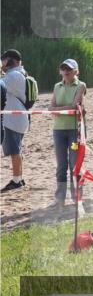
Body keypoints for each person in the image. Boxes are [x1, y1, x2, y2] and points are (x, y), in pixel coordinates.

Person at [48, 58, 86, 207]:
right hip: (58, 129)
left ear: (76, 71)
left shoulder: (81, 85)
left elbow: (74, 106)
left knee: (75, 164)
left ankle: (77, 197)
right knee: (61, 165)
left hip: (74, 130)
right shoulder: (57, 86)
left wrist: (57, 109)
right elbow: (51, 107)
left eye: (69, 69)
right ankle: (60, 198)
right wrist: (60, 109)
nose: (66, 71)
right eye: (63, 69)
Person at [1, 50, 30, 194]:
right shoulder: (20, 73)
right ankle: (19, 178)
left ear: (10, 60)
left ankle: (17, 180)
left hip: (13, 118)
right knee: (16, 149)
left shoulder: (13, 75)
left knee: (14, 150)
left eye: (4, 60)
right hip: (18, 117)